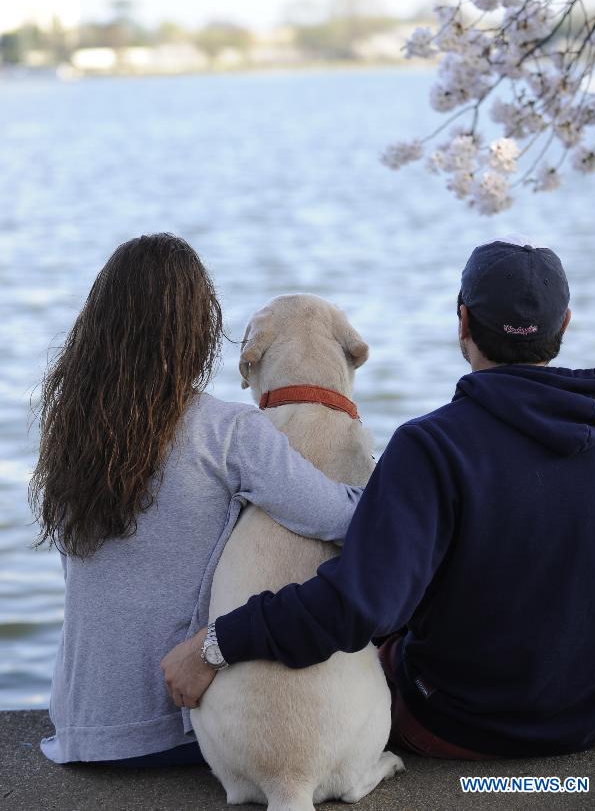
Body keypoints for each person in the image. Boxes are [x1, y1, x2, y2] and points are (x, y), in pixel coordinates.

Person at [162, 236, 595, 759]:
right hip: (591, 723)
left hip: (460, 727)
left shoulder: (433, 446)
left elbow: (359, 606)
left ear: (464, 323)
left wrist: (215, 644)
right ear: (564, 326)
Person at [31, 233, 364, 766]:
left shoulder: (71, 430)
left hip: (78, 729)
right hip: (170, 731)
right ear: (196, 330)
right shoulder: (227, 430)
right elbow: (340, 518)